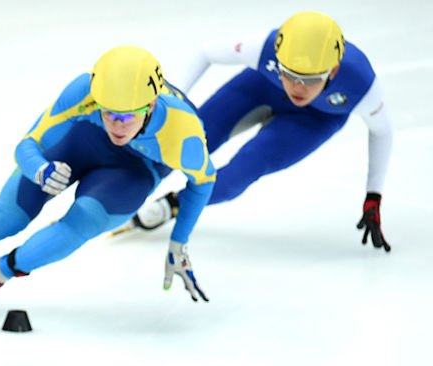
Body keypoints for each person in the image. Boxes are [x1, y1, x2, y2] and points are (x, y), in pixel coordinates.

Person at [0, 46, 216, 305]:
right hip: (81, 143)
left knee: (85, 219)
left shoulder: (183, 132)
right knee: (4, 218)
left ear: (152, 105)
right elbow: (28, 143)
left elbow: (203, 182)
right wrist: (40, 168)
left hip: (134, 171)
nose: (116, 125)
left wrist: (179, 240)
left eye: (128, 117)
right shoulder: (85, 91)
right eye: (108, 112)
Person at [129, 11, 393, 252]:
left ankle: (173, 204)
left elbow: (382, 132)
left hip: (315, 120)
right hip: (260, 88)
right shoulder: (264, 48)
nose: (297, 88)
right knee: (188, 140)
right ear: (277, 59)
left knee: (238, 176)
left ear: (333, 71)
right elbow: (206, 53)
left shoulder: (361, 85)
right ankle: (128, 181)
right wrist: (169, 102)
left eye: (310, 79)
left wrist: (373, 194)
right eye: (288, 73)